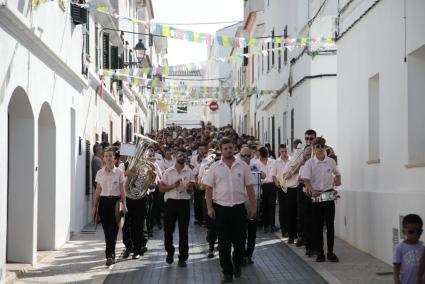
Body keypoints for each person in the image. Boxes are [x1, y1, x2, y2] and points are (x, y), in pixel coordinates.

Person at [203, 138, 256, 283]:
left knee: (240, 241)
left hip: (239, 208)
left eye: (230, 147)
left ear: (234, 148)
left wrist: (253, 206)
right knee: (224, 243)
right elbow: (208, 189)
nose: (228, 150)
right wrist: (209, 207)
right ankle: (227, 271)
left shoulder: (243, 166)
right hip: (221, 209)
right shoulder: (215, 167)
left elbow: (250, 187)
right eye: (225, 148)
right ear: (221, 149)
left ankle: (237, 263)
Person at [301, 137, 341, 263]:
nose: (320, 148)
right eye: (317, 146)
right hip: (317, 195)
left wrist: (338, 179)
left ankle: (330, 252)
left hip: (329, 195)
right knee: (317, 226)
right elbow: (305, 179)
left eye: (322, 146)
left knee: (330, 224)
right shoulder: (310, 163)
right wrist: (312, 190)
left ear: (325, 147)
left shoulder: (330, 162)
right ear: (314, 148)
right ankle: (320, 253)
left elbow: (337, 173)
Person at [92, 146, 127, 266]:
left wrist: (125, 205)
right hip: (104, 203)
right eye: (106, 156)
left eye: (110, 156)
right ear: (104, 158)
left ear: (114, 158)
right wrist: (94, 206)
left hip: (117, 203)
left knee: (114, 229)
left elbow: (122, 191)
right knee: (107, 230)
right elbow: (98, 190)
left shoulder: (119, 172)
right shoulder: (99, 173)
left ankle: (110, 255)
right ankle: (110, 254)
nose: (108, 158)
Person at [159, 151, 195, 267]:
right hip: (171, 203)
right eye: (180, 156)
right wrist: (173, 186)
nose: (181, 158)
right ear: (175, 157)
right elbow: (161, 189)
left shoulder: (190, 172)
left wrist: (189, 189)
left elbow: (191, 192)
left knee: (183, 232)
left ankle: (183, 258)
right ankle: (170, 252)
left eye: (184, 156)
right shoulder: (168, 172)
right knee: (168, 231)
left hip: (184, 203)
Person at [239, 147, 259, 265]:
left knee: (252, 232)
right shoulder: (237, 166)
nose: (246, 158)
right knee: (240, 232)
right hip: (240, 202)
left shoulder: (255, 165)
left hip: (253, 202)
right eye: (243, 156)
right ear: (240, 156)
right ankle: (240, 254)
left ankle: (249, 255)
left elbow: (263, 176)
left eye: (248, 156)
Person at [393, 214, 424, 284]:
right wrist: (396, 279)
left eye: (419, 232)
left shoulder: (422, 248)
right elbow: (396, 265)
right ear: (403, 232)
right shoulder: (400, 247)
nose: (415, 234)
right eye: (411, 232)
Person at [271, 144, 290, 239]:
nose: (284, 153)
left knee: (290, 209)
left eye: (285, 151)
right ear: (279, 152)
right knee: (282, 209)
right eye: (282, 151)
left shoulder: (291, 160)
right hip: (281, 187)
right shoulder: (276, 162)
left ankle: (291, 229)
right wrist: (276, 184)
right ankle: (284, 230)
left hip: (290, 186)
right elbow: (273, 175)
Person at [258, 147, 277, 233]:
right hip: (262, 186)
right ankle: (265, 225)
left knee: (272, 206)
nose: (258, 156)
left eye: (259, 155)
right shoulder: (256, 163)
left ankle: (272, 225)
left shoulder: (273, 162)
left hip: (272, 185)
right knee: (264, 206)